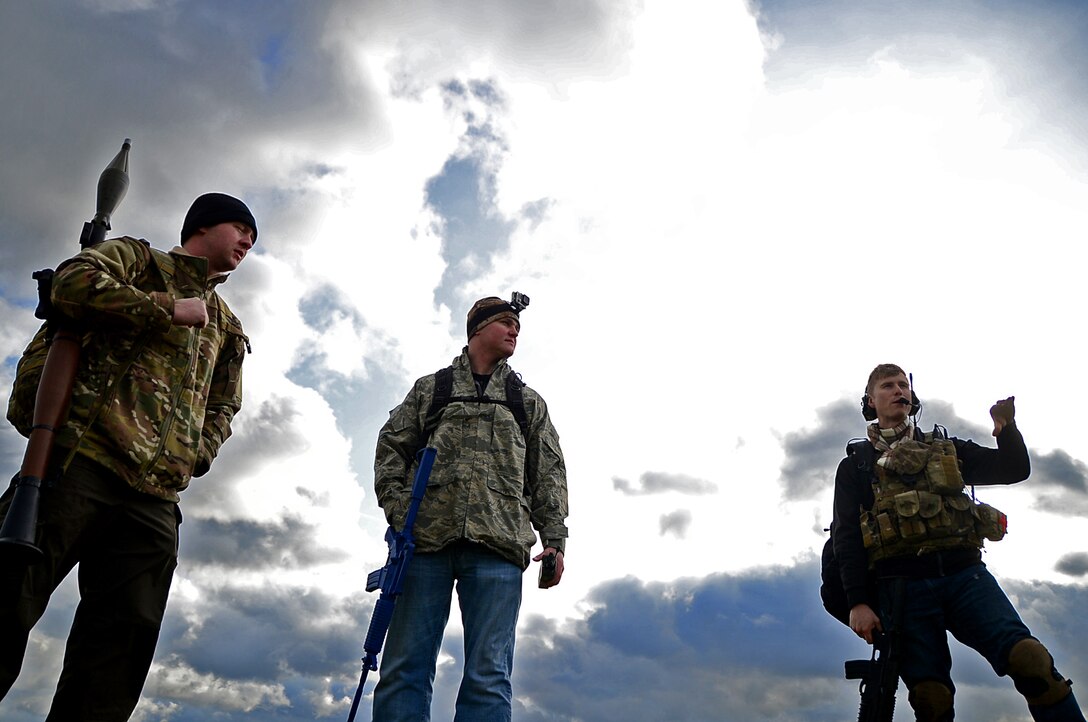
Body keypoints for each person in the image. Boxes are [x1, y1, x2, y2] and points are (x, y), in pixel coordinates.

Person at [0, 192, 257, 720]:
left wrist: (196, 454)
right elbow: (71, 282)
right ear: (203, 226)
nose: (248, 243)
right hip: (78, 462)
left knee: (119, 650)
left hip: (156, 498)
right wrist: (166, 309)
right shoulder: (138, 261)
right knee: (6, 600)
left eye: (252, 238)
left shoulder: (227, 325)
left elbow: (224, 403)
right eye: (241, 229)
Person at [832, 363, 1085, 722]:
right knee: (931, 699)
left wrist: (1006, 430)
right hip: (902, 590)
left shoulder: (946, 448)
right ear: (871, 401)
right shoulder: (856, 465)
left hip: (965, 577)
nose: (899, 390)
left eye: (903, 384)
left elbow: (1013, 469)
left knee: (1031, 661)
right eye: (888, 386)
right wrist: (858, 601)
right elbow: (846, 536)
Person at [372, 294, 568, 721]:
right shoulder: (433, 390)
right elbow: (391, 448)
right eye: (506, 323)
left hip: (500, 547)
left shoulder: (526, 401)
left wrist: (554, 540)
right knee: (404, 669)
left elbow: (548, 473)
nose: (514, 331)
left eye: (517, 326)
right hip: (424, 545)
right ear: (478, 328)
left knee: (489, 675)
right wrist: (400, 511)